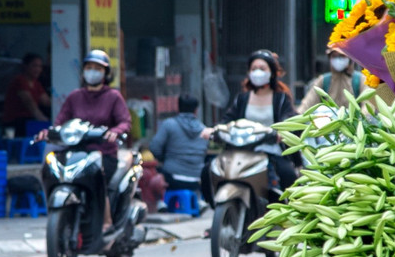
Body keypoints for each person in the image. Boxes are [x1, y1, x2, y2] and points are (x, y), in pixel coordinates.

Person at [35, 50, 131, 236]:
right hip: (77, 152)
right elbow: (60, 122)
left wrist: (115, 132)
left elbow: (125, 122)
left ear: (106, 73)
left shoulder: (113, 97)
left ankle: (106, 221)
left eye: (97, 69)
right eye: (89, 68)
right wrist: (49, 133)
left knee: (98, 178)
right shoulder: (75, 96)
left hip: (104, 153)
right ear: (83, 72)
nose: (92, 72)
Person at [202, 49, 298, 192]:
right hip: (241, 149)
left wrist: (282, 133)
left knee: (287, 174)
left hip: (270, 149)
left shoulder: (281, 98)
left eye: (262, 68)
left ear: (271, 72)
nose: (257, 72)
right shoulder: (243, 98)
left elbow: (288, 118)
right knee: (207, 171)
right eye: (254, 69)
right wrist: (214, 129)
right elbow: (228, 120)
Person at [150, 94, 208, 194]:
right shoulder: (204, 129)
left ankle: (160, 203)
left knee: (149, 173)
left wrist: (164, 159)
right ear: (196, 111)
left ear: (178, 108)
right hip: (197, 179)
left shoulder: (169, 124)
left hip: (172, 178)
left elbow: (154, 148)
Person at [297, 48, 363, 113]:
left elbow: (367, 106)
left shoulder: (359, 80)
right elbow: (307, 104)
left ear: (350, 59)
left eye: (342, 56)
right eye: (334, 56)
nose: (338, 59)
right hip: (328, 121)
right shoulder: (323, 80)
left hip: (354, 122)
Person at [1, 53, 51, 136]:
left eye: (40, 66)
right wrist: (45, 121)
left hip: (29, 122)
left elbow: (46, 101)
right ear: (25, 66)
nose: (38, 69)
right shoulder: (20, 81)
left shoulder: (36, 83)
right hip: (15, 123)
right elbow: (30, 104)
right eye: (34, 66)